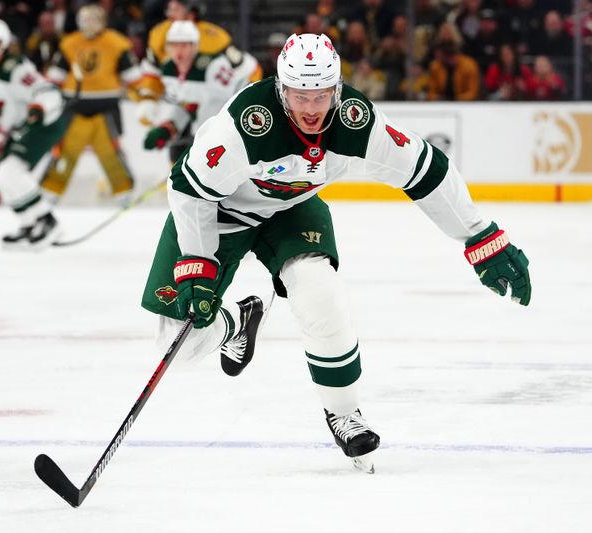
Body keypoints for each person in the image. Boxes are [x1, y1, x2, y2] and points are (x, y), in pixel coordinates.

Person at [140, 33, 532, 472]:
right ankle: (239, 321)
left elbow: (426, 168)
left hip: (290, 209)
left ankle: (345, 412)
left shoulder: (356, 122)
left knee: (321, 296)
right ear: (280, 89)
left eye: (322, 95)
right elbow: (189, 190)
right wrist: (197, 267)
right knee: (183, 343)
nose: (311, 108)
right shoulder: (245, 125)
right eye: (299, 95)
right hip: (217, 214)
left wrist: (481, 237)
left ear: (338, 89)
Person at [0, 18, 69, 248]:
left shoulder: (15, 68)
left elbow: (48, 91)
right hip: (20, 127)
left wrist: (39, 109)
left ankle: (48, 221)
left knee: (10, 171)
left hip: (45, 123)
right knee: (2, 177)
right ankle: (29, 223)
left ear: (0, 44)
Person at [42, 4, 137, 204]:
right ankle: (51, 190)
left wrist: (143, 94)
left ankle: (123, 191)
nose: (88, 24)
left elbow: (133, 76)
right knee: (66, 151)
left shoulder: (117, 43)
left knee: (110, 151)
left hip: (106, 107)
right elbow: (56, 76)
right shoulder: (69, 43)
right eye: (85, 20)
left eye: (93, 20)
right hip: (73, 105)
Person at [139, 20, 262, 164]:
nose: (179, 51)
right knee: (178, 153)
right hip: (209, 128)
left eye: (184, 45)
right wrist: (168, 128)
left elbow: (230, 100)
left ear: (194, 46)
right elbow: (184, 105)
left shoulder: (213, 66)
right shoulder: (168, 70)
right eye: (174, 45)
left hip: (237, 123)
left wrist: (203, 134)